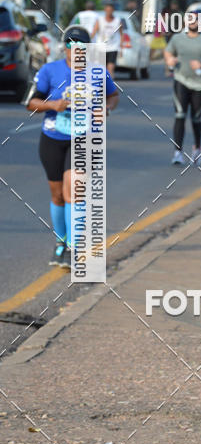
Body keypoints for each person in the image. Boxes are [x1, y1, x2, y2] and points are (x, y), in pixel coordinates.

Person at [27, 26, 119, 268]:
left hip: (84, 138)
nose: (74, 49)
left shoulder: (98, 73)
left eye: (80, 45)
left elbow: (113, 96)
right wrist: (52, 105)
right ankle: (61, 242)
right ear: (63, 46)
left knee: (74, 190)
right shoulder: (50, 70)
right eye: (70, 44)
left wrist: (106, 108)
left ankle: (73, 247)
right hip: (53, 138)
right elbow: (31, 102)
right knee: (57, 195)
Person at [164, 10, 201, 166]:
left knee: (196, 117)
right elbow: (168, 52)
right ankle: (178, 152)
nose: (192, 22)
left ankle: (196, 149)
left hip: (200, 84)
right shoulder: (177, 38)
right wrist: (170, 60)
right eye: (190, 19)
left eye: (195, 19)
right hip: (181, 80)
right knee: (180, 114)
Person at [92, 1, 123, 77]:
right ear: (105, 10)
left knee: (110, 68)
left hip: (113, 47)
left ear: (113, 11)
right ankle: (102, 86)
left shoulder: (117, 21)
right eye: (107, 10)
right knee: (102, 69)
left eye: (110, 10)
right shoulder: (100, 20)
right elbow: (93, 33)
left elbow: (122, 34)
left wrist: (121, 48)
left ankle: (110, 86)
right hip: (101, 47)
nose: (109, 12)